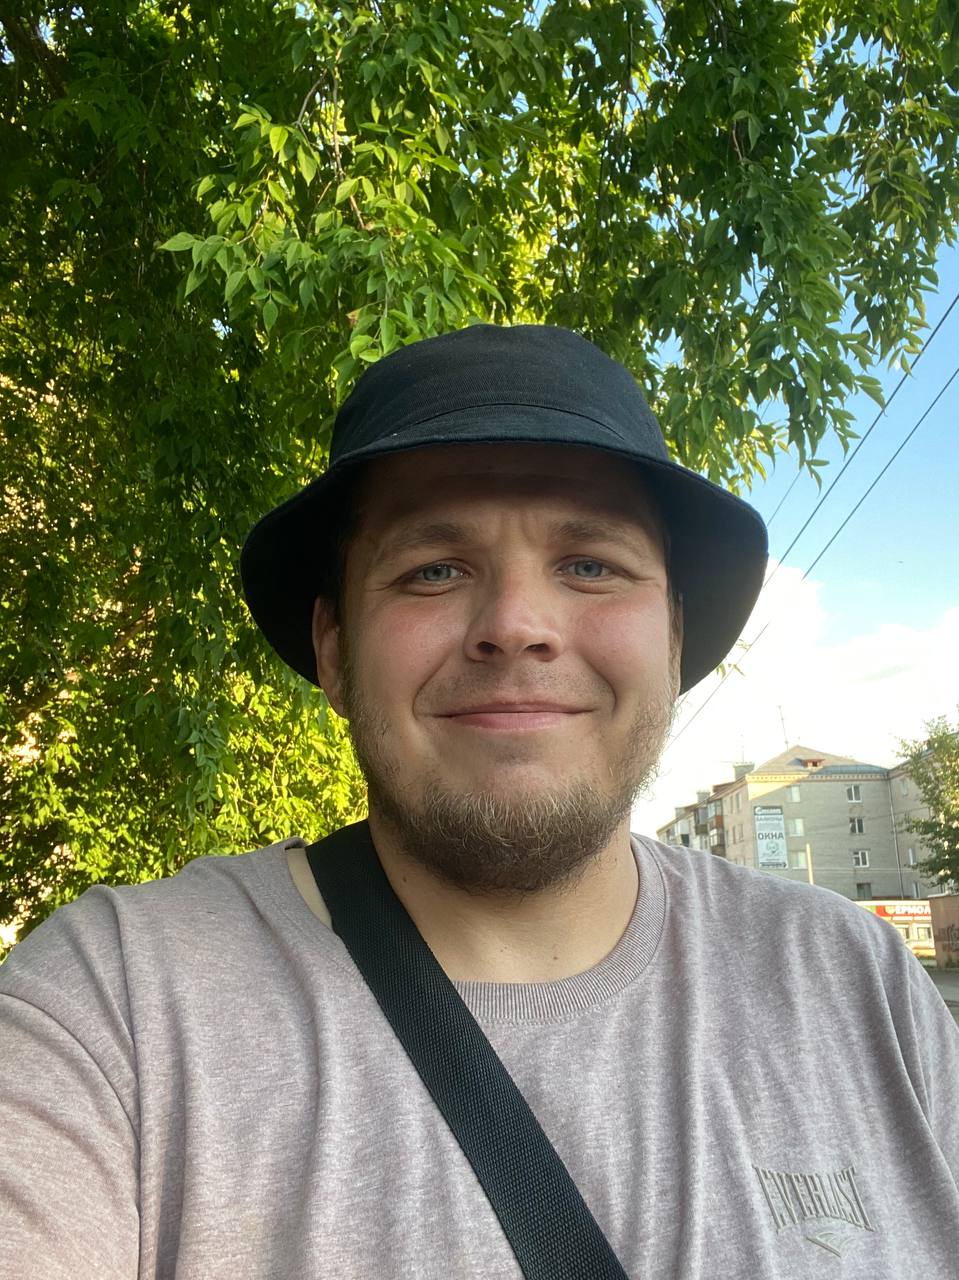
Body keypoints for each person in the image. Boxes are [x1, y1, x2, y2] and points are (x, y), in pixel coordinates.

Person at [1, 324, 957, 1280]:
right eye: (433, 569)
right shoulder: (113, 1011)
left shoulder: (858, 985)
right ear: (334, 650)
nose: (515, 626)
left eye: (590, 564)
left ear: (671, 641)